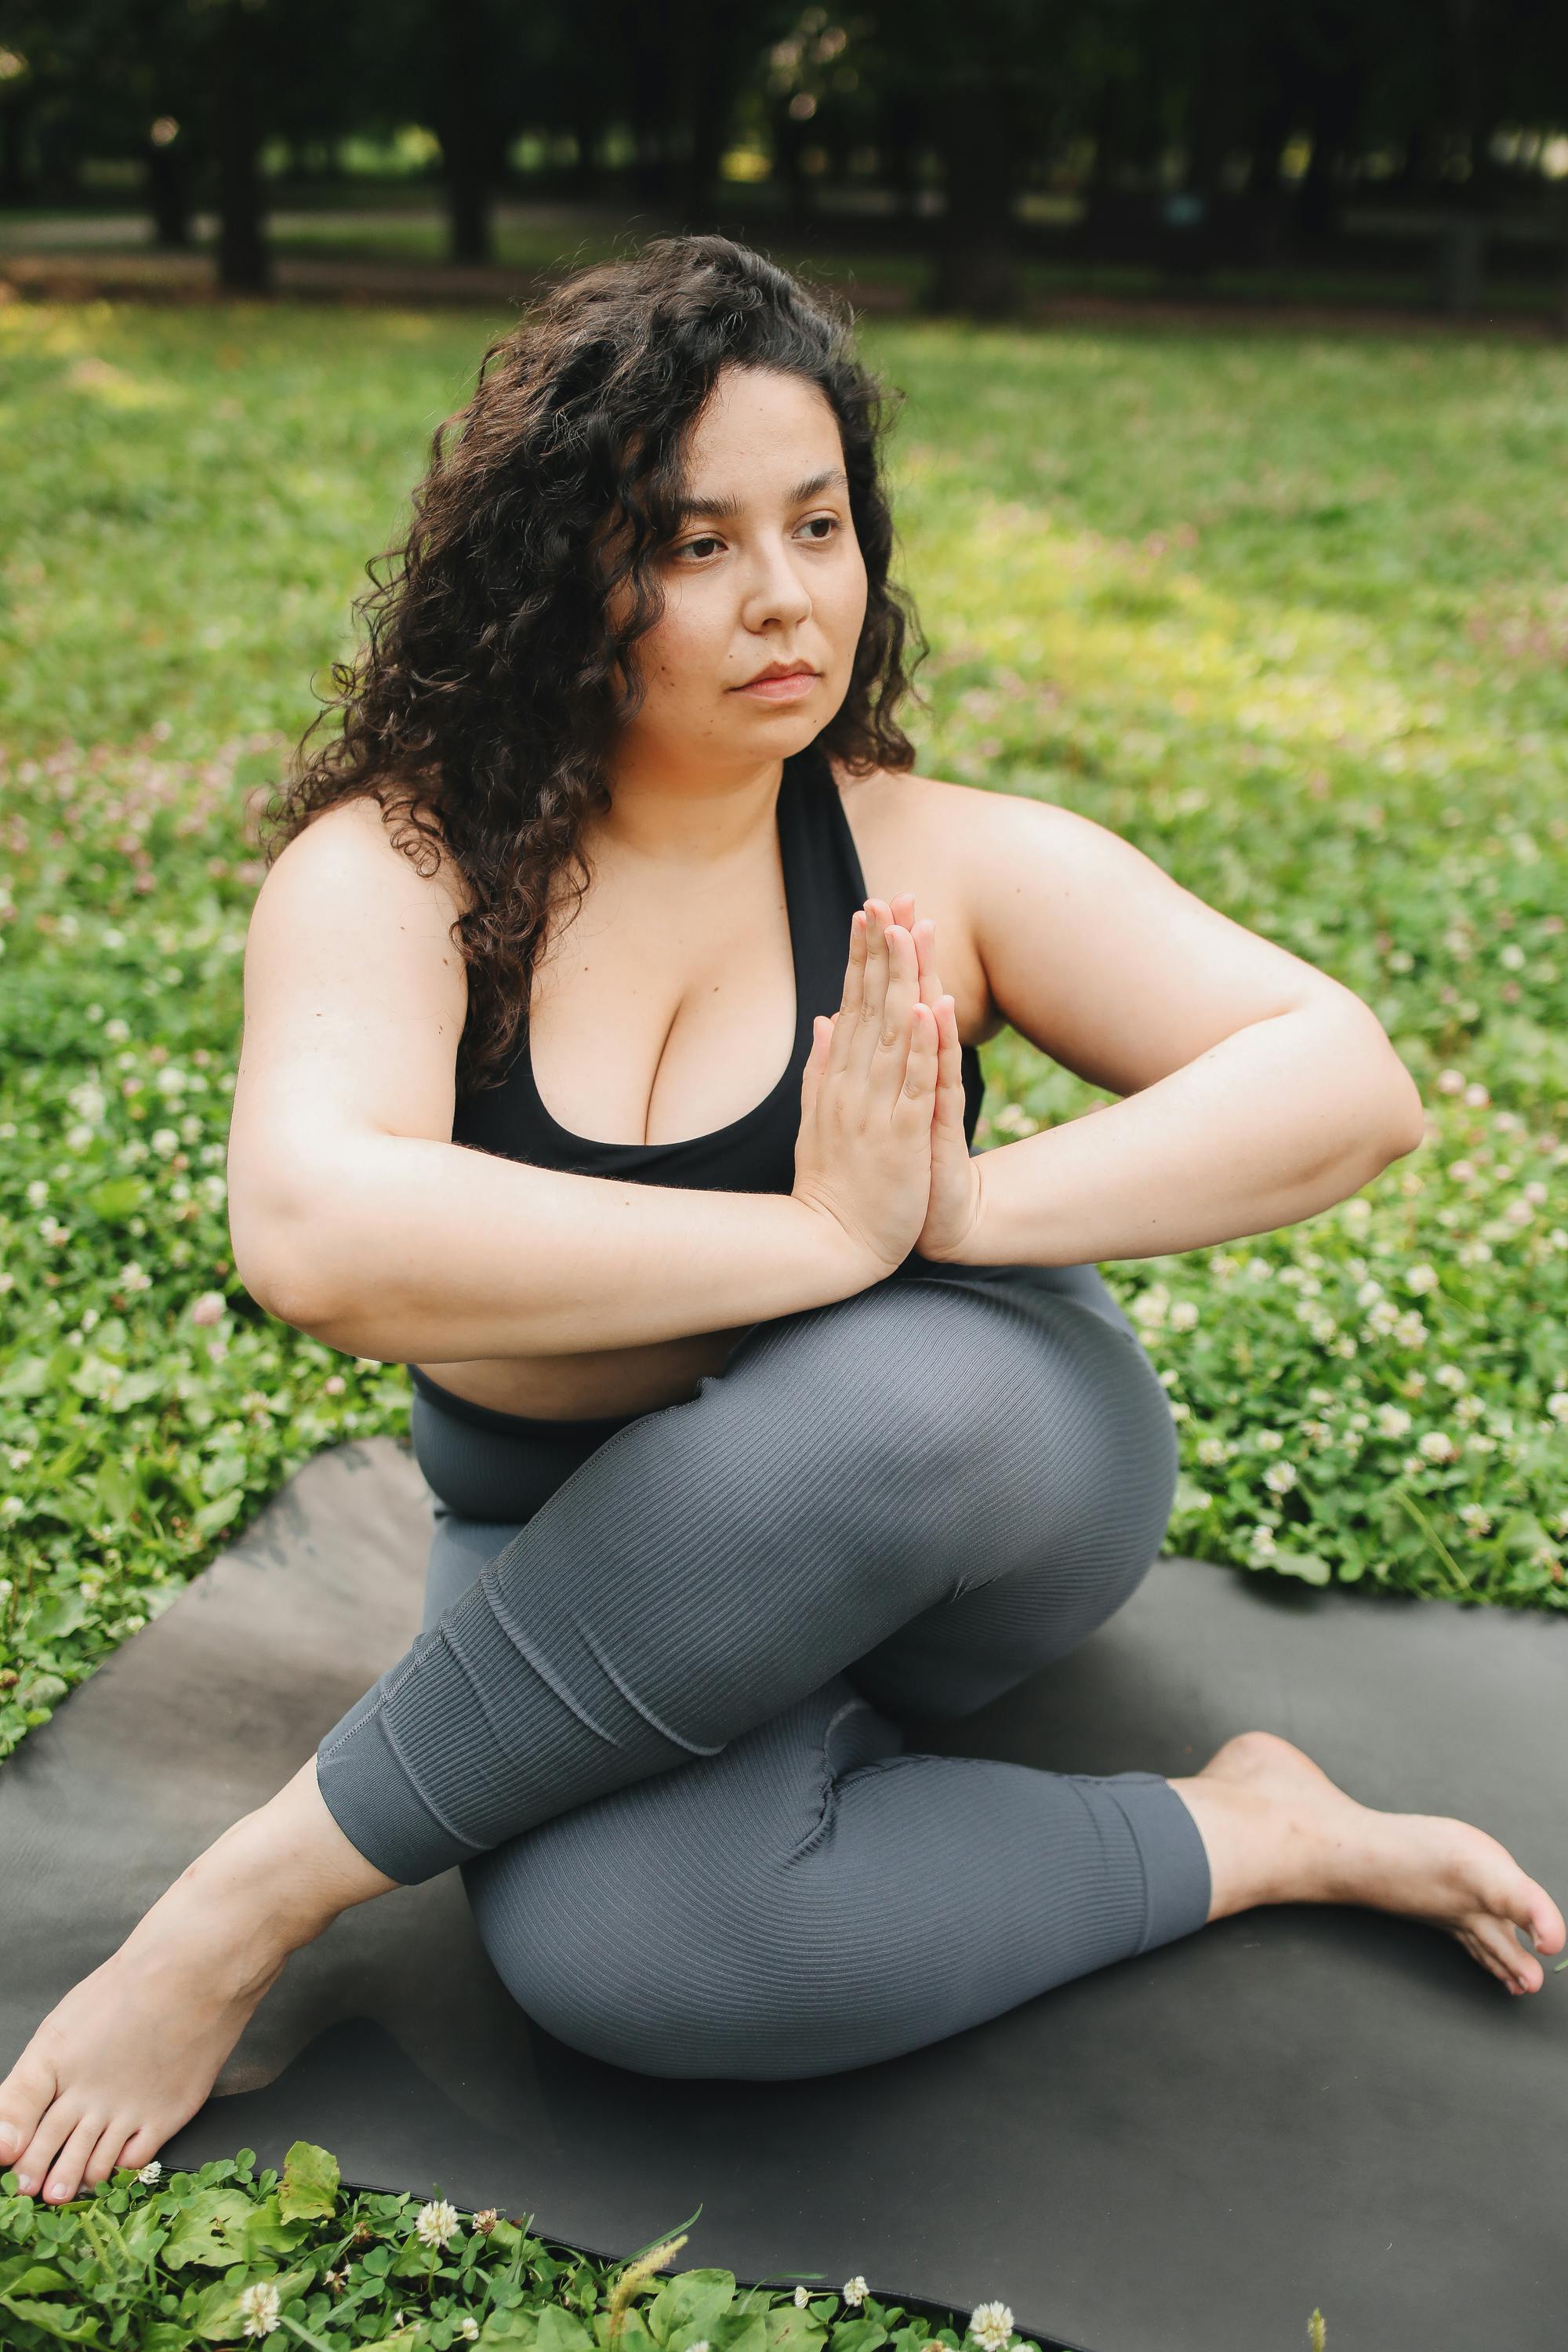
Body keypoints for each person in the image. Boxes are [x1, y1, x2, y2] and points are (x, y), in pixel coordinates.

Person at [3, 234, 1562, 2202]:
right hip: (582, 1550)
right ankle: (1253, 1830)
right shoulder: (398, 870)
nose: (785, 600)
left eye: (818, 526)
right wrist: (810, 1247)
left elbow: (1346, 1076)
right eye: (695, 541)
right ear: (559, 567)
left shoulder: (927, 856)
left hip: (964, 1494)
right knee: (631, 1959)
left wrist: (954, 1212)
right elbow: (317, 1233)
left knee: (902, 1392)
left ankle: (236, 1910)